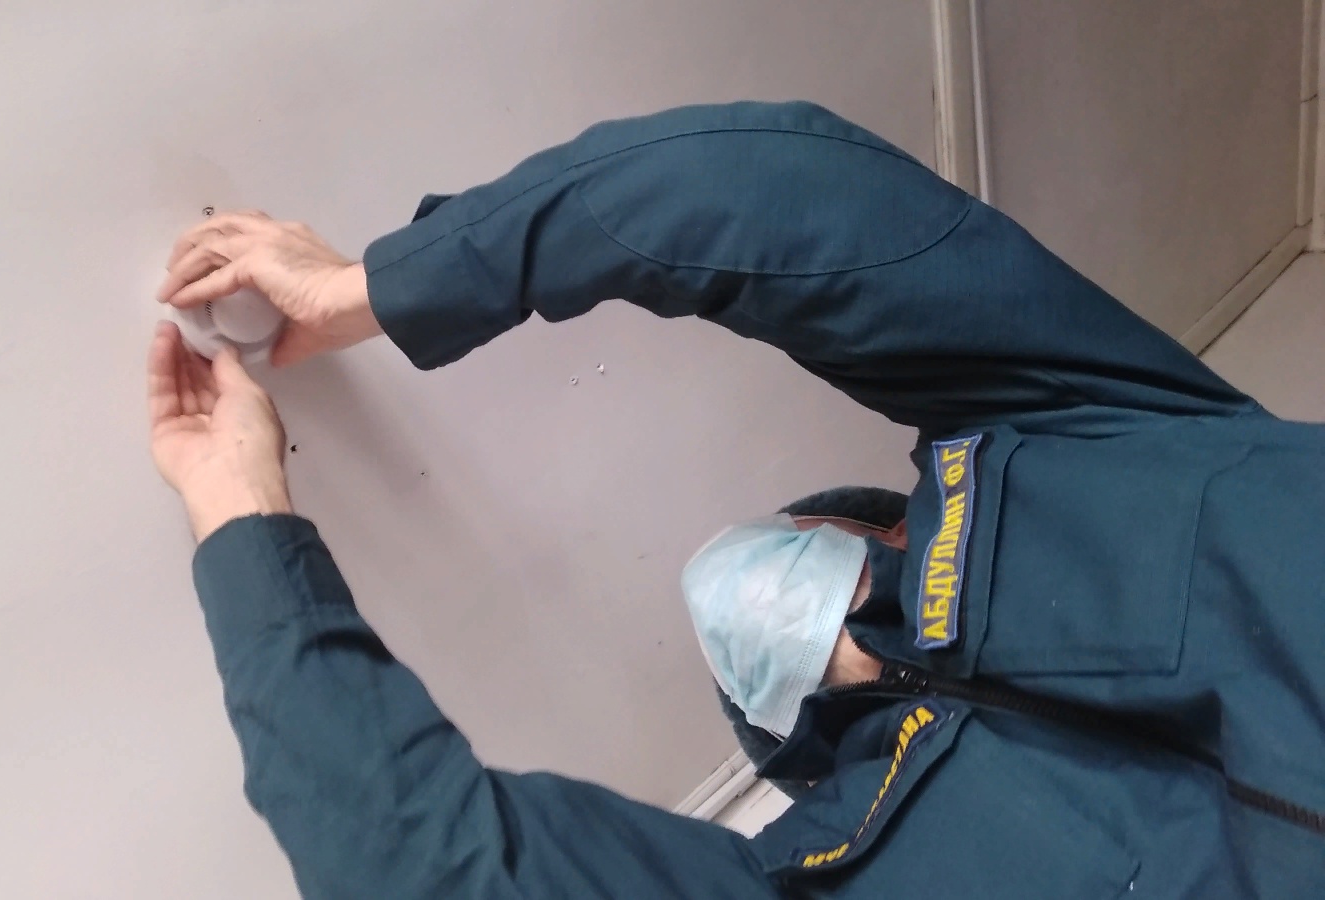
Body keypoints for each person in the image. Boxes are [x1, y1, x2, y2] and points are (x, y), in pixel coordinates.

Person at [146, 101, 1325, 898]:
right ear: (796, 748)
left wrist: (385, 286)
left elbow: (769, 199)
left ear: (882, 522)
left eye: (808, 563)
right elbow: (413, 861)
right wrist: (237, 499)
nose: (817, 619)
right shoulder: (826, 867)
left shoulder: (1066, 420)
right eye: (776, 658)